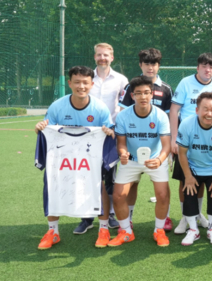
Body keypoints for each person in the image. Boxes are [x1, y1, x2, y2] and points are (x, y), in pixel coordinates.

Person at [34, 66, 115, 249]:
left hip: (89, 157)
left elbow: (110, 132)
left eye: (85, 82)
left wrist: (108, 132)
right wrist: (40, 127)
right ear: (69, 83)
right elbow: (46, 128)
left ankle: (104, 229)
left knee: (98, 185)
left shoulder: (99, 108)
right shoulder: (57, 106)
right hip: (62, 157)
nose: (81, 86)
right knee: (52, 186)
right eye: (77, 82)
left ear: (92, 84)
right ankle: (53, 231)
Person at [108, 76, 171, 247]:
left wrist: (159, 160)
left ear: (152, 94)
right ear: (132, 95)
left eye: (146, 93)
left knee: (163, 194)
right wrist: (123, 154)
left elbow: (166, 146)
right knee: (118, 195)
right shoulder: (123, 116)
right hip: (132, 160)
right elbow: (121, 143)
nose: (143, 97)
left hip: (155, 159)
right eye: (138, 93)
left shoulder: (160, 116)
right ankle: (126, 231)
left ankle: (159, 230)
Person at [119, 48, 174, 232]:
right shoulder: (131, 87)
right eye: (147, 63)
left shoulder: (165, 88)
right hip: (133, 147)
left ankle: (164, 219)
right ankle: (130, 217)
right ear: (140, 65)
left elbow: (168, 118)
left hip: (157, 148)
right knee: (132, 183)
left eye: (154, 64)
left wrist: (166, 151)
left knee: (162, 186)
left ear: (159, 66)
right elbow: (123, 113)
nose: (151, 67)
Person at [170, 53, 212, 234]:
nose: (207, 70)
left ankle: (198, 214)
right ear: (198, 67)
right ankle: (186, 218)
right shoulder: (185, 83)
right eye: (204, 66)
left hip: (209, 140)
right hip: (186, 140)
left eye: (211, 67)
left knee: (203, 179)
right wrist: (173, 138)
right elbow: (174, 110)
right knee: (185, 180)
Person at [76, 42, 128, 234]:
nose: (102, 58)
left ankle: (110, 215)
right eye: (99, 55)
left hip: (110, 136)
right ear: (94, 57)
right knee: (86, 176)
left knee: (110, 179)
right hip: (86, 136)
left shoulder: (122, 80)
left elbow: (124, 108)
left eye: (106, 55)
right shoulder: (87, 79)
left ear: (112, 57)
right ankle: (87, 217)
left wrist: (117, 131)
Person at [178, 92, 212, 246]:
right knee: (189, 195)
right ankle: (193, 230)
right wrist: (188, 176)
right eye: (205, 109)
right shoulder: (187, 124)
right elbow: (182, 153)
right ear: (197, 110)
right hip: (193, 167)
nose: (209, 114)